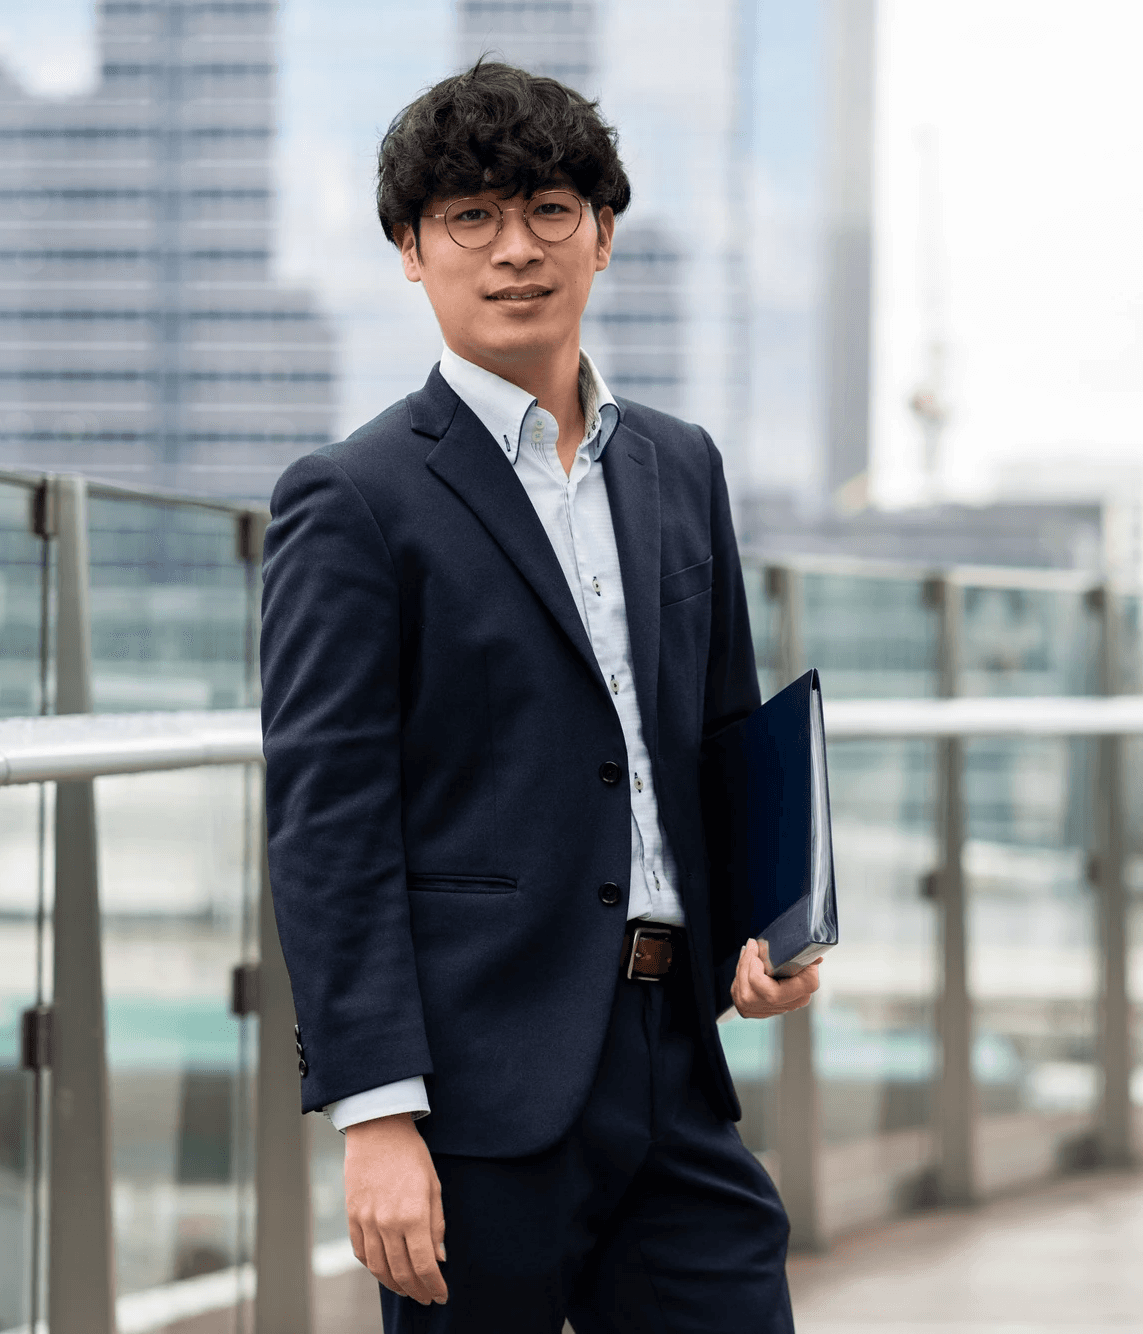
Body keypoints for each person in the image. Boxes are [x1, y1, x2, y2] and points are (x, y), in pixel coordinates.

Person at [260, 60, 822, 1333]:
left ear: (604, 233)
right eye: (470, 218)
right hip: (474, 1089)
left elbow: (720, 734)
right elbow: (327, 824)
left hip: (675, 1059)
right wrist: (377, 1116)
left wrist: (764, 926)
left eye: (551, 210)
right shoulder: (351, 500)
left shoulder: (681, 465)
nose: (515, 249)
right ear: (412, 249)